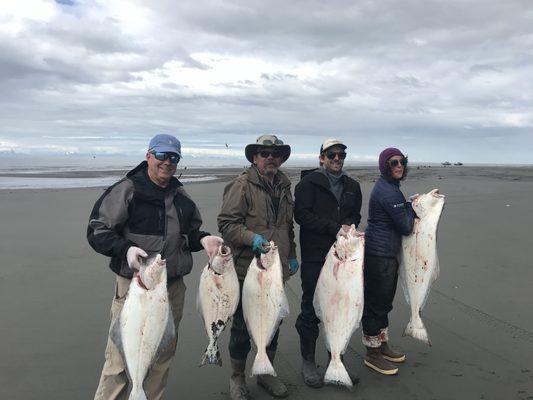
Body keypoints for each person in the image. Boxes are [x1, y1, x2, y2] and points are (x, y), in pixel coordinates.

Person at [88, 134, 222, 400]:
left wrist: (203, 238)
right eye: (162, 155)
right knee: (119, 359)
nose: (167, 162)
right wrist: (125, 249)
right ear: (148, 155)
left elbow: (190, 232)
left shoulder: (180, 196)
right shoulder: (128, 189)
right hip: (135, 287)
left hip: (172, 289)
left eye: (173, 157)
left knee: (160, 357)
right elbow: (97, 230)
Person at [217, 134, 298, 400]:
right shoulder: (241, 185)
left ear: (281, 158)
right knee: (242, 326)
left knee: (273, 321)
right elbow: (227, 224)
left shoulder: (285, 187)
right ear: (255, 158)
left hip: (276, 268)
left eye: (275, 154)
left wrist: (292, 255)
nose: (270, 158)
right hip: (247, 270)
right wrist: (252, 239)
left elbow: (288, 227)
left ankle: (265, 372)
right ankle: (237, 377)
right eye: (265, 153)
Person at [294, 138, 363, 388]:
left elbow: (355, 214)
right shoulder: (307, 184)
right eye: (331, 155)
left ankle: (337, 360)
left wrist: (349, 227)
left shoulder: (353, 185)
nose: (337, 159)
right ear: (321, 158)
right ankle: (309, 362)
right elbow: (302, 215)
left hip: (345, 260)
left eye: (341, 155)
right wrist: (335, 228)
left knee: (342, 309)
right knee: (311, 307)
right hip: (316, 257)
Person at [362, 147, 417, 375]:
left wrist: (406, 206)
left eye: (401, 161)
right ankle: (372, 353)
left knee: (384, 303)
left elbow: (398, 216)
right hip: (380, 255)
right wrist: (414, 209)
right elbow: (405, 226)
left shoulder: (391, 188)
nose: (399, 166)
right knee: (376, 305)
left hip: (387, 253)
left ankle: (382, 344)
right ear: (385, 166)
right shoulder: (388, 191)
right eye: (393, 163)